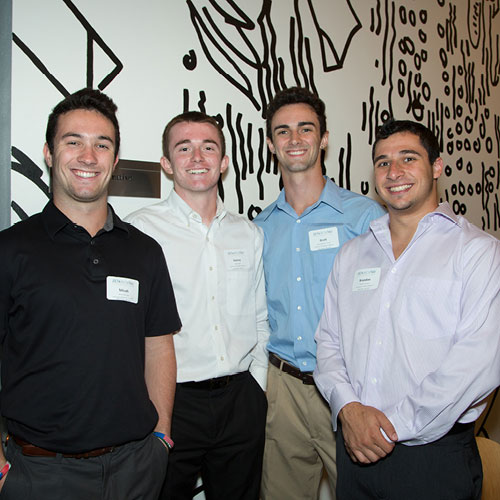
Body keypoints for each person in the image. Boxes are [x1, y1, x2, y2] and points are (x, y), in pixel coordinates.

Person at [0, 88, 181, 500]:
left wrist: (161, 438)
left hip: (136, 469)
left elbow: (159, 346)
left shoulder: (145, 251)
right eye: (73, 142)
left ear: (115, 160)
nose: (88, 156)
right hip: (39, 475)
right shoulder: (10, 250)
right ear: (49, 152)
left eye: (102, 145)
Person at [314, 119, 500, 499]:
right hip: (354, 448)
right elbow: (329, 343)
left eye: (407, 158)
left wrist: (388, 427)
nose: (393, 172)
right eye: (382, 162)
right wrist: (348, 409)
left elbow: (478, 362)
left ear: (436, 166)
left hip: (433, 459)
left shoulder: (478, 252)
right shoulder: (351, 254)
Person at [126, 111, 269, 500]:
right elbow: (127, 327)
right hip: (171, 401)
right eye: (184, 148)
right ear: (167, 164)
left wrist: (257, 388)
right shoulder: (139, 230)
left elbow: (259, 317)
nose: (197, 157)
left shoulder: (249, 233)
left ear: (224, 162)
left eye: (209, 147)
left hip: (241, 400)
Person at [254, 87, 385, 500]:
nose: (294, 140)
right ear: (271, 143)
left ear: (324, 138)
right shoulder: (260, 227)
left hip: (350, 389)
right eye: (283, 131)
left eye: (305, 129)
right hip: (284, 390)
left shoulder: (363, 218)